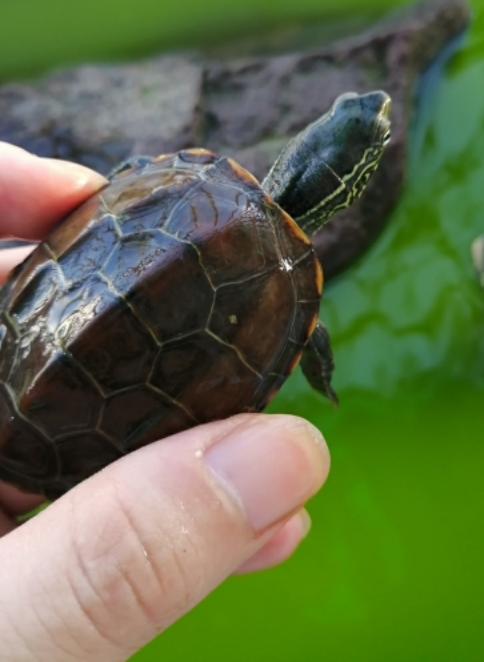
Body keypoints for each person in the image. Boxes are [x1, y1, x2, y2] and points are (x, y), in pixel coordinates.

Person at [0, 142, 331, 662]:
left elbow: (130, 174)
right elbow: (307, 338)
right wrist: (323, 374)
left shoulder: (195, 177)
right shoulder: (286, 292)